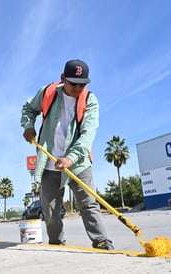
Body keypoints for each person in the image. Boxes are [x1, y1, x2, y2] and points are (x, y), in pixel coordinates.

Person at [20, 59, 114, 250]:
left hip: (78, 163)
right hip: (49, 163)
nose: (78, 88)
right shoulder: (48, 92)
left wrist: (71, 157)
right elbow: (28, 108)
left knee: (88, 204)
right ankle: (56, 245)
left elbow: (88, 134)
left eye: (82, 84)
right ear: (63, 79)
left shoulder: (90, 100)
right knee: (50, 211)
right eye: (73, 84)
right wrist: (28, 125)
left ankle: (102, 241)